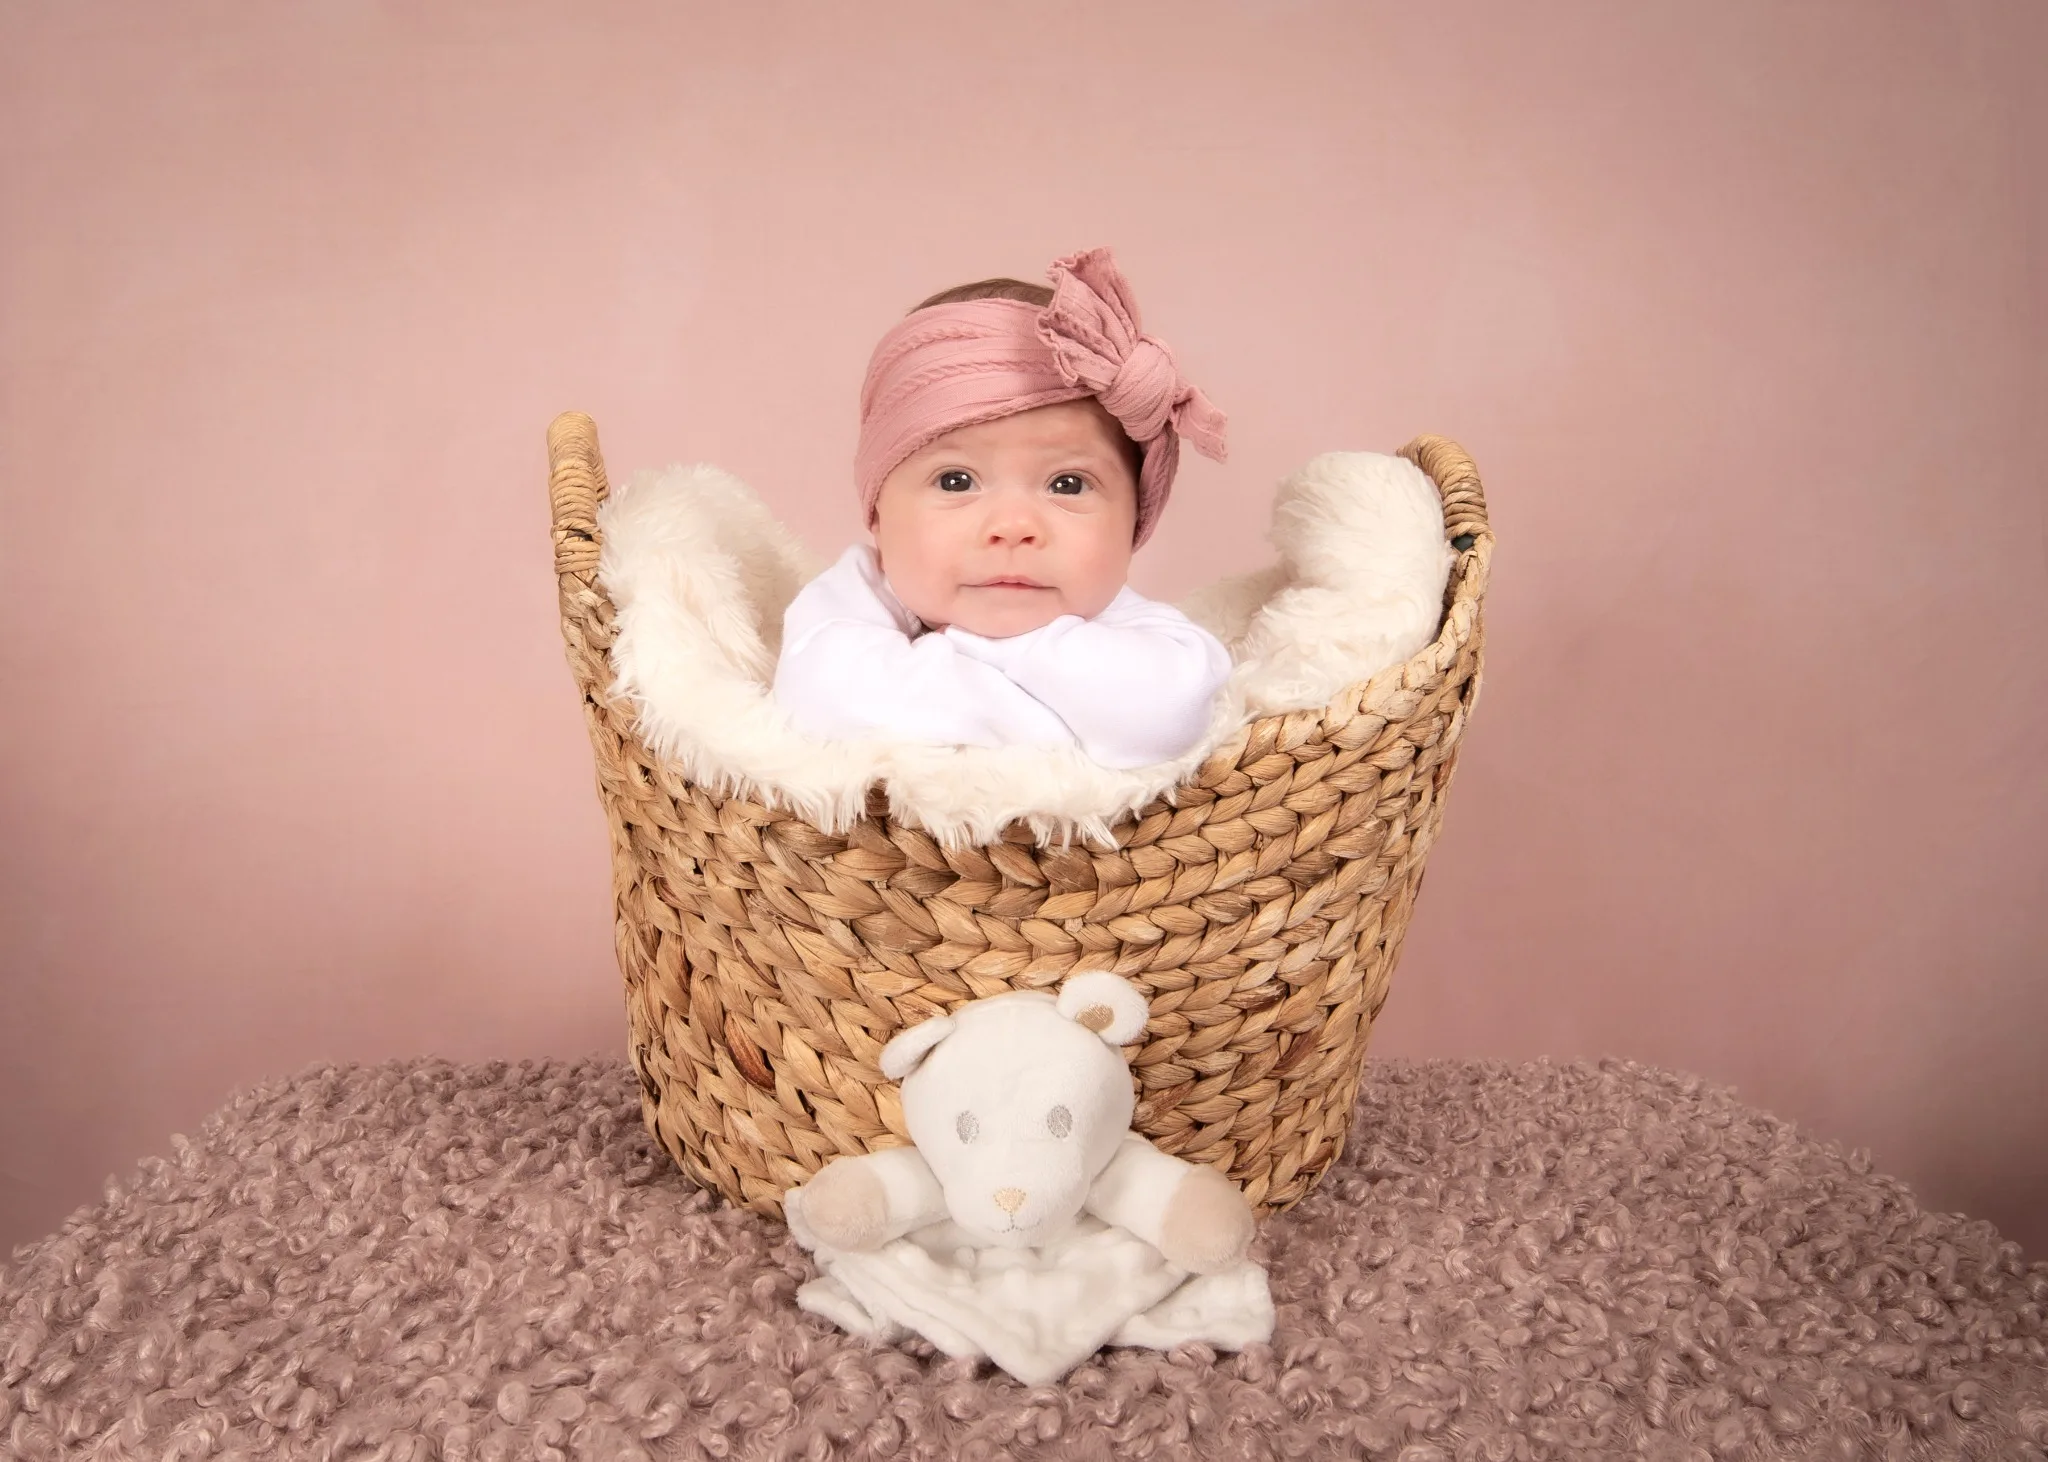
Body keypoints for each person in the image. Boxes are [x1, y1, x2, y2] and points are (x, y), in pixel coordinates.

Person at [772, 248, 1233, 770]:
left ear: (1134, 521)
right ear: (878, 512)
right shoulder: (860, 589)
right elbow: (825, 700)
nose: (1014, 528)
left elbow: (1164, 715)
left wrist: (979, 651)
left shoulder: (1139, 633)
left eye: (1067, 484)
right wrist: (1061, 728)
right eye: (956, 480)